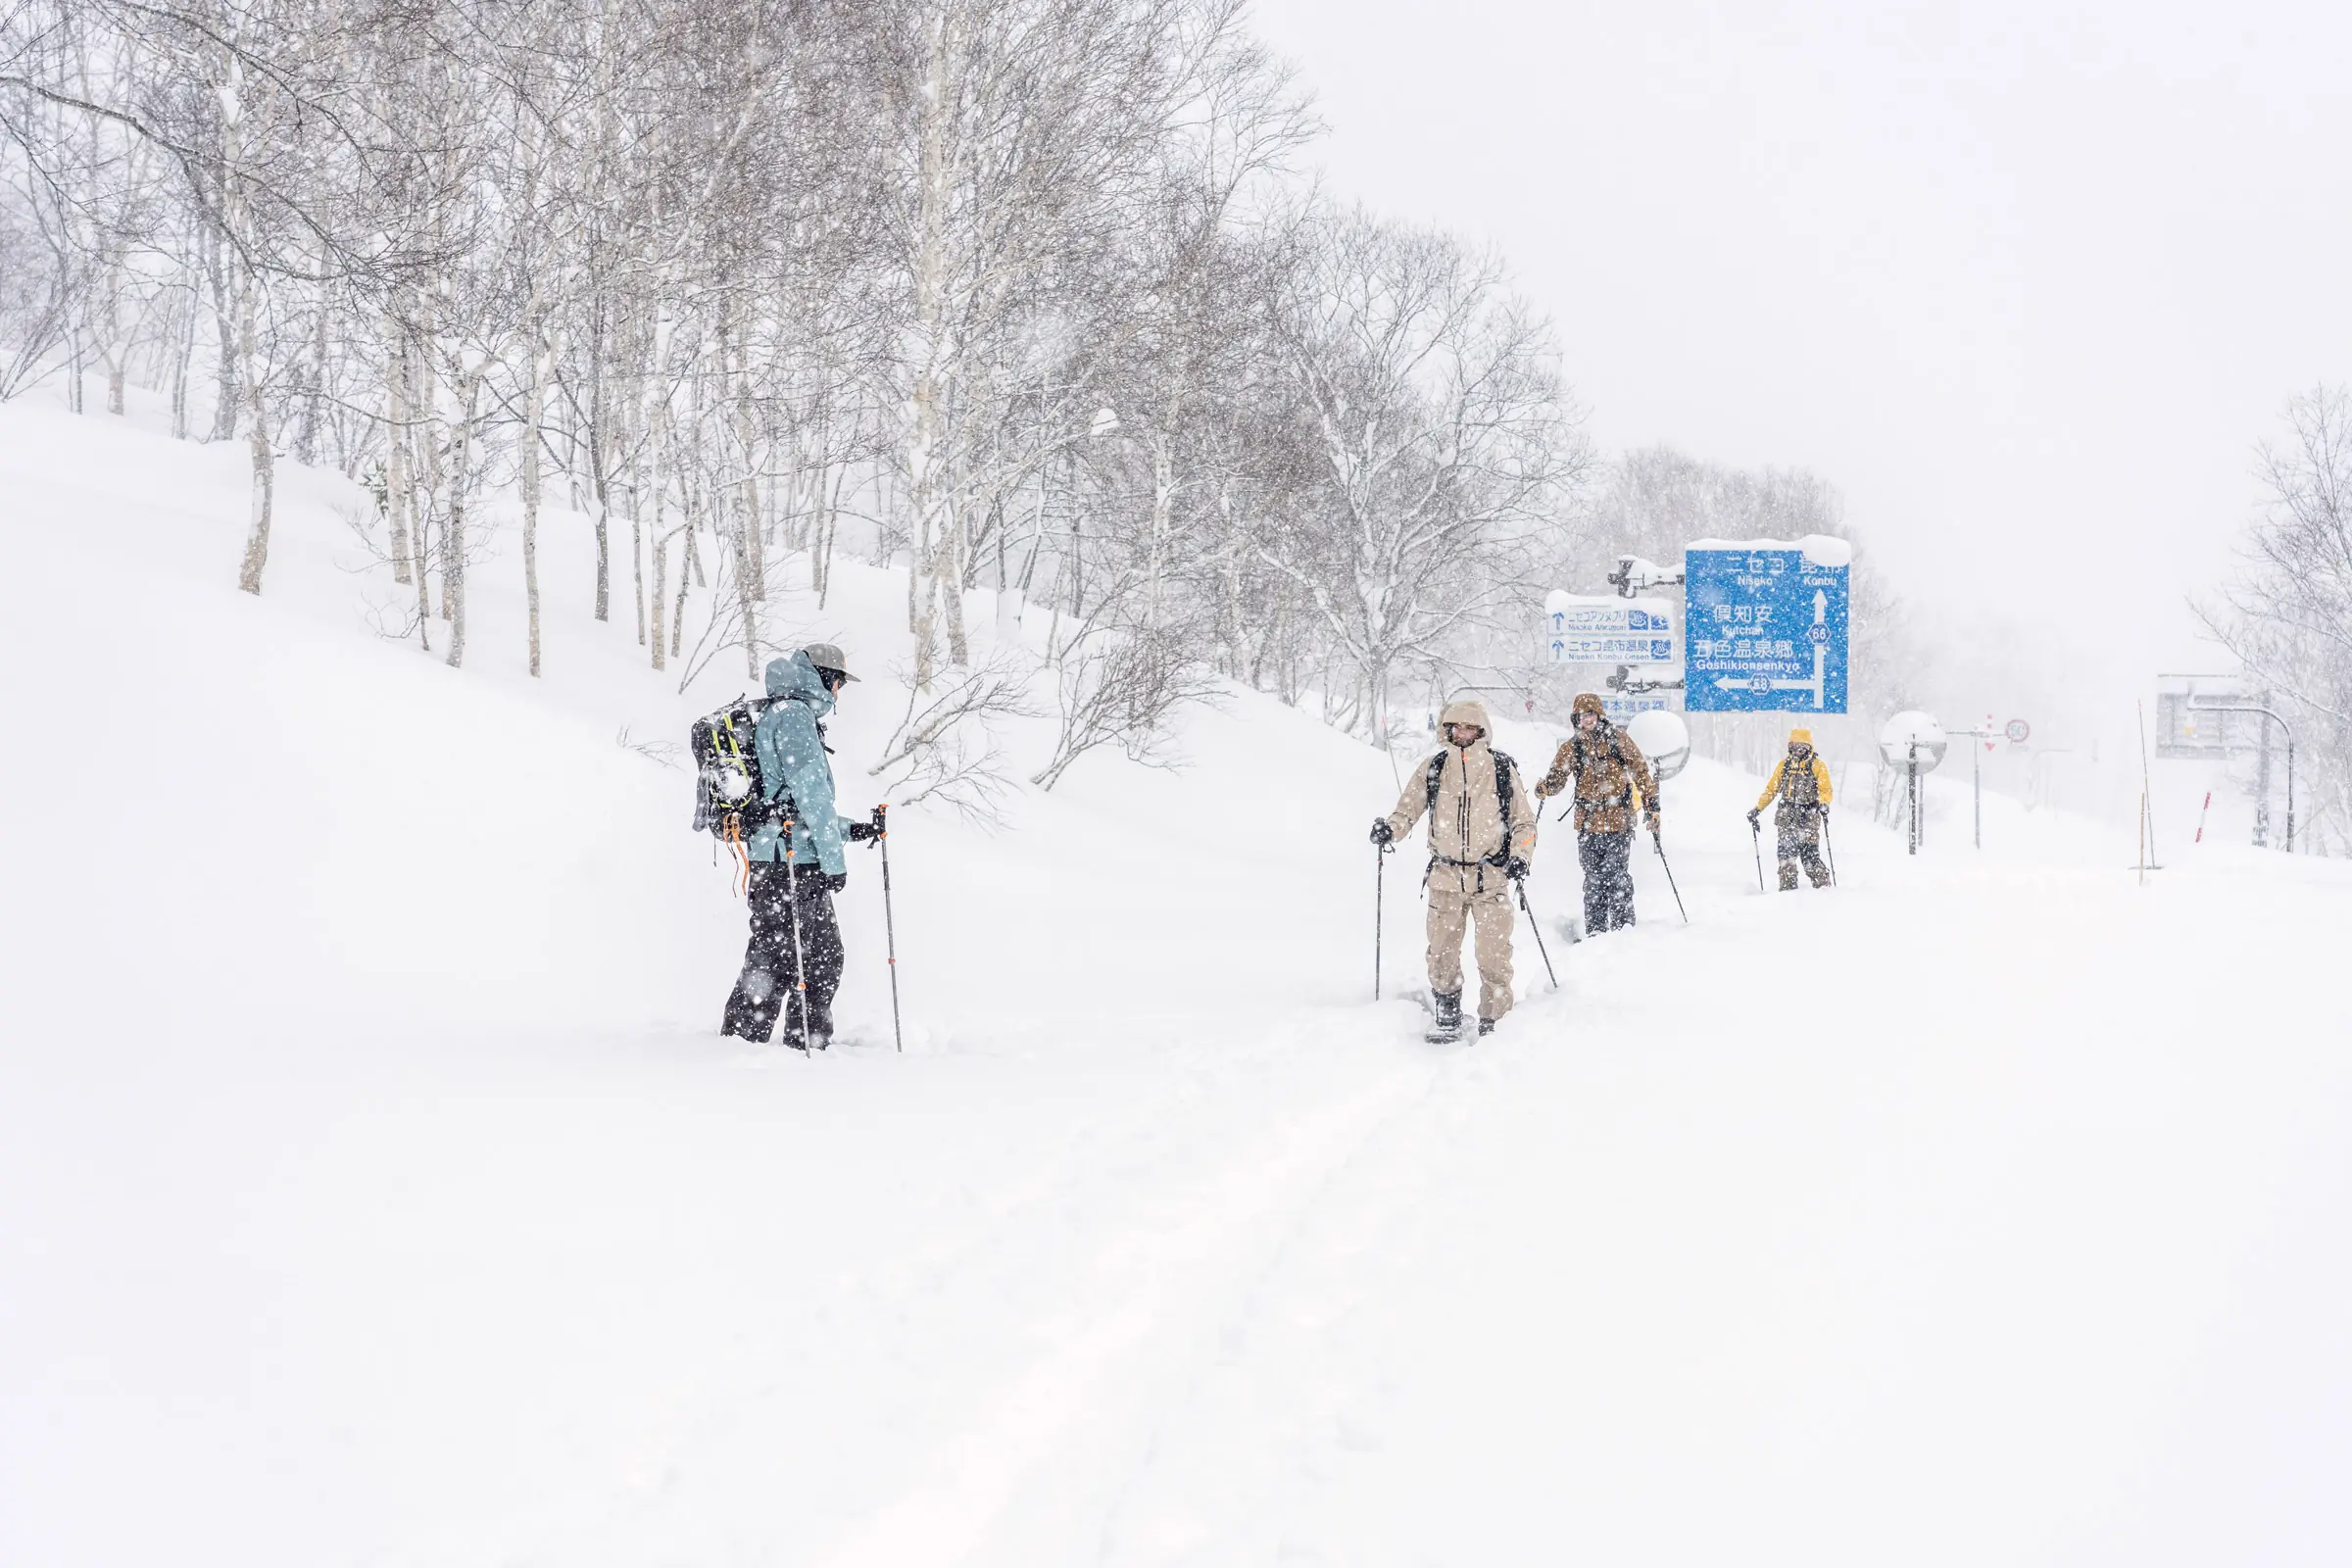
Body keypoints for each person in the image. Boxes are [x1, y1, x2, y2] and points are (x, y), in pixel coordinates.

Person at [720, 643, 878, 1049]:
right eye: (840, 681)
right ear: (825, 677)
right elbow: (812, 797)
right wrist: (833, 862)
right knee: (777, 957)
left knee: (820, 957)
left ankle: (805, 1042)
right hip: (786, 863)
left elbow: (796, 806)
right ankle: (739, 1045)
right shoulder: (793, 716)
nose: (840, 692)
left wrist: (852, 831)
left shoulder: (788, 713)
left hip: (790, 856)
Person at [1371, 699, 1538, 1042]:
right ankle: (1447, 1012)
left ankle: (1495, 1020)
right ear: (1447, 730)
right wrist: (1390, 829)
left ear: (1481, 731)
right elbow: (1408, 810)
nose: (1462, 733)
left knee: (1494, 953)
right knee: (1441, 950)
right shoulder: (1434, 767)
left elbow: (1524, 823)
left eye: (1469, 727)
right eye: (1456, 727)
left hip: (1490, 877)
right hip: (1445, 877)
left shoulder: (1500, 769)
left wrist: (1522, 856)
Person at [1533, 693, 1657, 936]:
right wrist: (1545, 787)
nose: (1586, 720)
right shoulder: (1573, 747)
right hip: (1588, 825)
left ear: (1598, 715)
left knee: (1618, 877)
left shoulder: (1619, 740)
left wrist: (1653, 808)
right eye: (1582, 716)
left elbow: (1641, 773)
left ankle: (1623, 930)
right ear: (1576, 718)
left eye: (1590, 714)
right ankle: (1596, 931)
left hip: (1619, 822)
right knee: (1593, 880)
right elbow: (1558, 776)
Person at [1749, 727, 1833, 891]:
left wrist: (1823, 803)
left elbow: (1826, 790)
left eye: (1803, 746)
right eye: (1795, 746)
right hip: (1786, 817)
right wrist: (1757, 809)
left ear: (1809, 748)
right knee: (1786, 857)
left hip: (1809, 816)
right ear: (1790, 747)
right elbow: (1771, 790)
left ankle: (1824, 889)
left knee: (1810, 857)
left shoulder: (1817, 766)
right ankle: (1787, 892)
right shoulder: (1784, 765)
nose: (1798, 750)